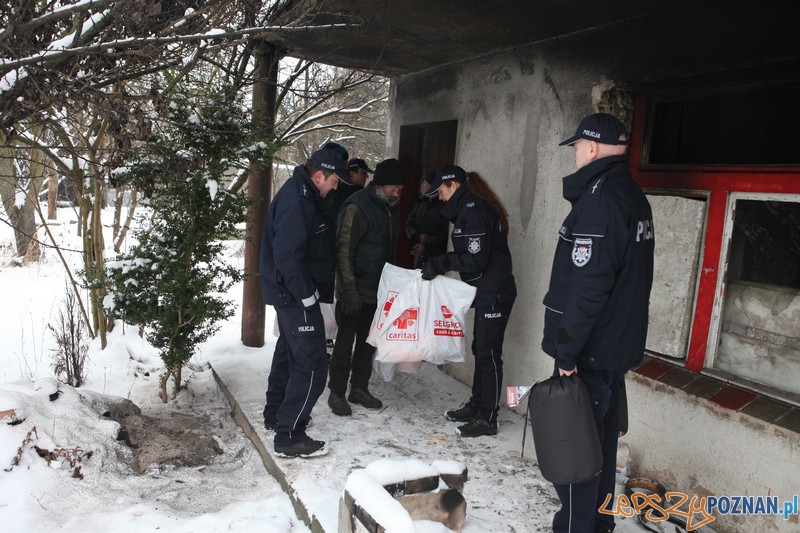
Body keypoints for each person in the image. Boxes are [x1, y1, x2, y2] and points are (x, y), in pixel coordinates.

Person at [541, 113, 654, 533]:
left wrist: (566, 351)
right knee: (600, 451)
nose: (574, 155)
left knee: (575, 459)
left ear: (590, 147)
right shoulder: (631, 194)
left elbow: (589, 286)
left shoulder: (601, 200)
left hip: (588, 350)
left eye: (576, 148)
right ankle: (599, 526)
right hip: (611, 349)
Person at [259, 148, 348, 458]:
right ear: (319, 175)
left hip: (290, 293)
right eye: (335, 180)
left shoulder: (305, 194)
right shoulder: (298, 200)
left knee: (288, 353)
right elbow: (287, 255)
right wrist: (308, 296)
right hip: (295, 295)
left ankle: (277, 416)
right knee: (311, 363)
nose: (336, 187)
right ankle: (290, 435)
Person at [421, 164, 517, 438]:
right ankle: (478, 405)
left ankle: (488, 417)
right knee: (481, 349)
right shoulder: (467, 210)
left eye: (441, 192)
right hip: (486, 291)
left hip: (495, 293)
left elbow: (477, 259)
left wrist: (442, 263)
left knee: (489, 354)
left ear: (453, 186)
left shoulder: (474, 211)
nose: (439, 198)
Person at [327, 158, 407, 416]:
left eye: (401, 188)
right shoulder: (357, 207)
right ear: (381, 185)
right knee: (344, 343)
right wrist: (348, 290)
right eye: (395, 187)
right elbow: (343, 252)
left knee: (368, 344)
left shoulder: (390, 207)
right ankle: (337, 392)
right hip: (355, 290)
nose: (398, 192)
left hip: (378, 291)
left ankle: (359, 388)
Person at [406, 172, 450, 268]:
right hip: (421, 258)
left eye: (425, 182)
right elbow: (409, 225)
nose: (422, 185)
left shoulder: (444, 205)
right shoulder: (420, 204)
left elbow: (445, 234)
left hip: (439, 260)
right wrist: (418, 236)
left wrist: (426, 244)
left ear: (434, 185)